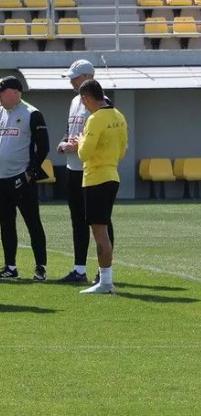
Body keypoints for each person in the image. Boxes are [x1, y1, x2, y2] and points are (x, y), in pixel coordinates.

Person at [56, 60, 114, 284]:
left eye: (75, 77)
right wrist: (64, 142)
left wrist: (76, 146)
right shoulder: (75, 101)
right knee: (77, 220)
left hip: (93, 171)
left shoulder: (103, 104)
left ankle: (104, 271)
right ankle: (79, 269)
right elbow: (70, 129)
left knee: (102, 222)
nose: (72, 81)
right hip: (73, 168)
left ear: (89, 77)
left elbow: (103, 140)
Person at [0, 76, 50, 281]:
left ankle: (40, 267)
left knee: (32, 222)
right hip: (0, 178)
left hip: (22, 178)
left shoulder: (32, 113)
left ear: (15, 92)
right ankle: (10, 267)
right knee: (6, 224)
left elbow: (44, 147)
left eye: (2, 91)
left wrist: (30, 172)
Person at [72, 79, 127, 294]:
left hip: (96, 178)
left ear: (86, 98)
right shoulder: (119, 116)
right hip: (113, 175)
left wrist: (81, 140)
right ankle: (105, 281)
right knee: (102, 229)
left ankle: (105, 282)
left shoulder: (95, 119)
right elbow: (122, 152)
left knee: (100, 232)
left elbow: (83, 154)